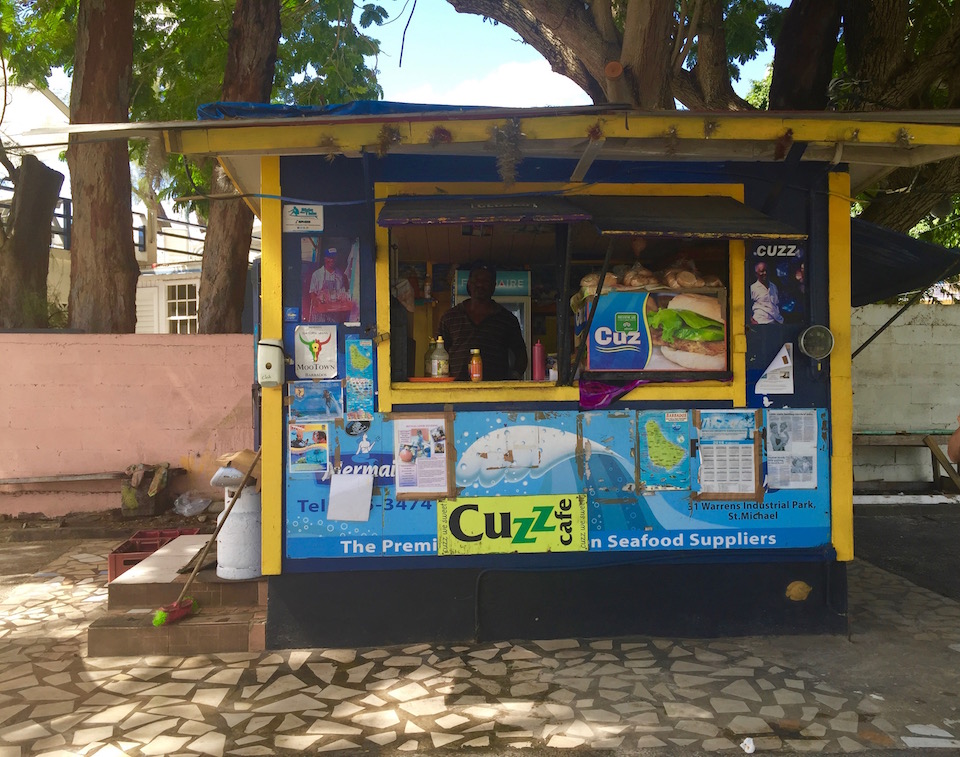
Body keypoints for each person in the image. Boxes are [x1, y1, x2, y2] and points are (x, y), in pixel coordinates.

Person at [439, 264, 528, 381]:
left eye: (486, 281)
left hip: (496, 392)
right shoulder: (450, 317)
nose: (480, 284)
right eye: (476, 280)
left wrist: (513, 378)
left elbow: (521, 354)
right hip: (456, 391)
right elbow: (438, 353)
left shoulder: (507, 319)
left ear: (493, 286)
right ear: (469, 284)